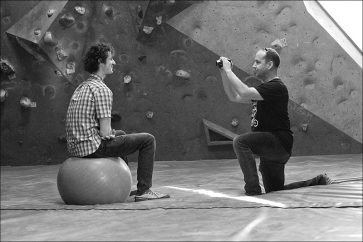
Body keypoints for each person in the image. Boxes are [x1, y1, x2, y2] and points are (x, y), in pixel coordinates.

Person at [218, 47, 333, 196]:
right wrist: (223, 72)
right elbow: (234, 97)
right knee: (275, 191)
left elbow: (244, 91)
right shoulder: (264, 90)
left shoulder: (277, 87)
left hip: (277, 142)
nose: (253, 65)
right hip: (272, 148)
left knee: (240, 141)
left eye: (258, 62)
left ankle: (252, 190)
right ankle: (318, 180)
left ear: (270, 65)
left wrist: (229, 71)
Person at [65, 43, 170, 202]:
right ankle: (144, 190)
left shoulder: (82, 87)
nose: (114, 62)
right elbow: (105, 133)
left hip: (76, 147)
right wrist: (109, 134)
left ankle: (123, 186)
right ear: (101, 62)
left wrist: (114, 135)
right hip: (92, 148)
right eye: (111, 59)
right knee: (148, 140)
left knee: (120, 134)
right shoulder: (102, 89)